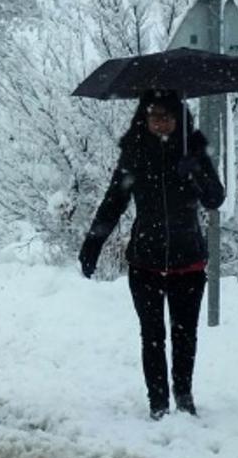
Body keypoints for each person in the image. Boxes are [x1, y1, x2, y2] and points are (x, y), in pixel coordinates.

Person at [78, 89, 225, 420]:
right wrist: (93, 243)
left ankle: (184, 397)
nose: (162, 123)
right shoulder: (134, 156)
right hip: (145, 261)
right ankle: (158, 402)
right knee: (153, 335)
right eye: (155, 116)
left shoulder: (194, 152)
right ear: (143, 118)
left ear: (179, 118)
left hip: (188, 261)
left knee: (185, 335)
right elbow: (113, 203)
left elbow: (215, 199)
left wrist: (197, 172)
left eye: (168, 116)